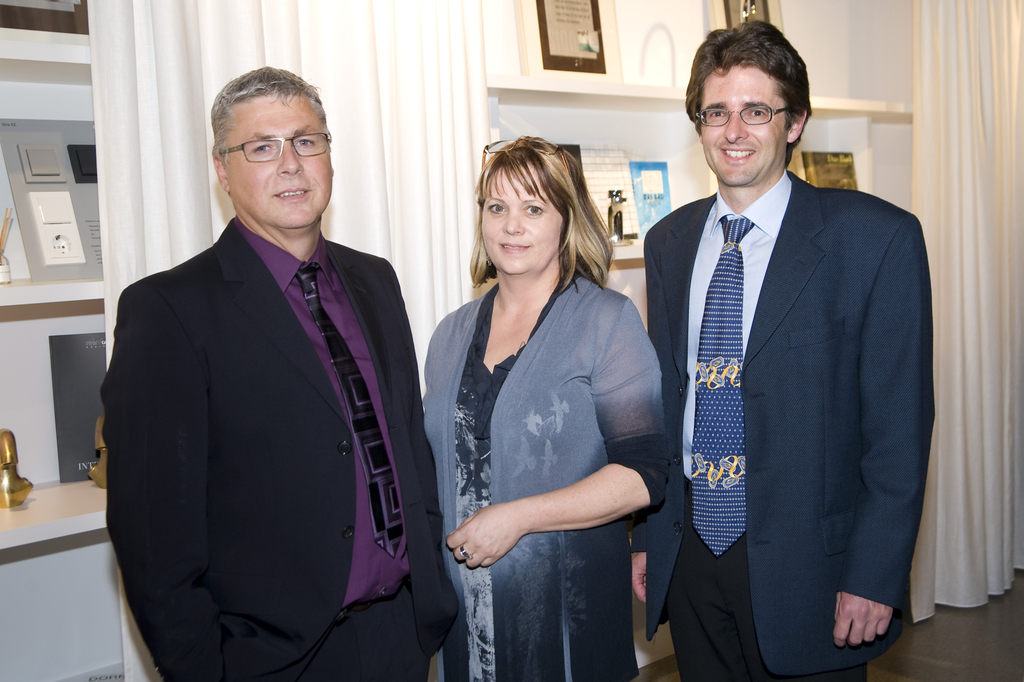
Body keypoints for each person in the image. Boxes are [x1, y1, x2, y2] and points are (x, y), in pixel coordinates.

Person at [102, 66, 456, 682]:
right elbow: (153, 535)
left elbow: (405, 443)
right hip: (270, 659)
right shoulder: (169, 310)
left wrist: (427, 592)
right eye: (262, 148)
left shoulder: (375, 279)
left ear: (329, 156)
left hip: (400, 636)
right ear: (223, 170)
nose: (291, 164)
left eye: (306, 141)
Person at [631, 22, 934, 682]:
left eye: (756, 111)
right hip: (691, 553)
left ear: (795, 123)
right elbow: (665, 403)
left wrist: (874, 574)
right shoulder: (668, 242)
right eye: (716, 112)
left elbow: (899, 431)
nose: (733, 130)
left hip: (813, 571)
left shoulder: (875, 240)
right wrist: (649, 535)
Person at [423, 136, 669, 682]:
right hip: (465, 625)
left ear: (566, 220)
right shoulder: (448, 335)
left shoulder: (607, 321)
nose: (512, 226)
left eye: (533, 209)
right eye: (497, 207)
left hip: (565, 617)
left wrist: (518, 518)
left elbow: (643, 475)